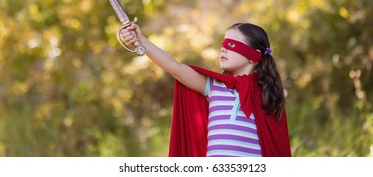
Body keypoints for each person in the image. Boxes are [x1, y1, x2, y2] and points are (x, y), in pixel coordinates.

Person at [121, 22, 291, 157]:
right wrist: (141, 40)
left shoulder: (267, 95)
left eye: (231, 44)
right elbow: (174, 67)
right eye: (223, 44)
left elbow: (275, 148)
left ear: (253, 56)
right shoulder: (214, 87)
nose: (223, 49)